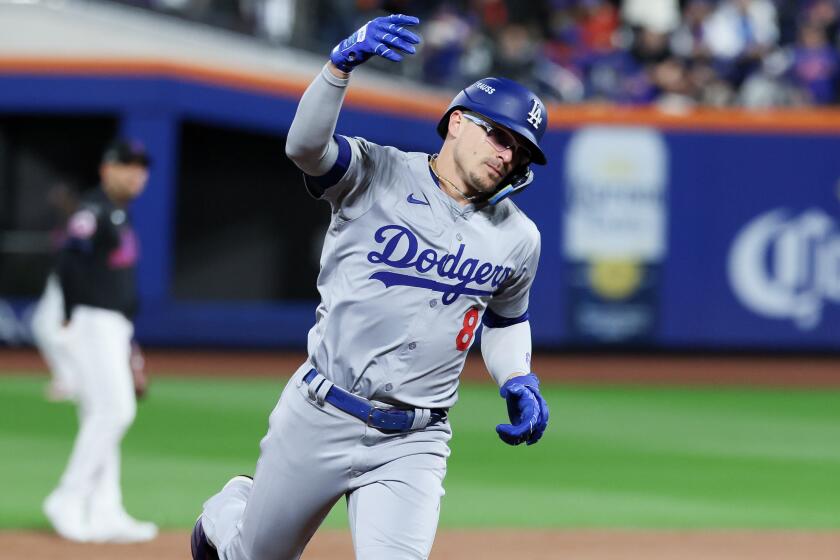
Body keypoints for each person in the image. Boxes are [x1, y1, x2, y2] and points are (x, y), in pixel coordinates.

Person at [191, 13, 550, 560]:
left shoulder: (518, 237)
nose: (506, 154)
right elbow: (305, 150)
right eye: (498, 135)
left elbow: (505, 319)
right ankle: (231, 512)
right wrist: (338, 67)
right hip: (320, 412)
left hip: (416, 438)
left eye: (518, 151)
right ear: (456, 122)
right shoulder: (377, 171)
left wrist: (519, 378)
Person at [42, 139, 157, 543]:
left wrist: (128, 340)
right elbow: (68, 259)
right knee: (115, 410)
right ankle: (68, 497)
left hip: (113, 325)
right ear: (107, 168)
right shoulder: (94, 210)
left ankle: (106, 509)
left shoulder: (118, 213)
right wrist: (72, 317)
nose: (135, 173)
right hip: (93, 320)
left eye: (141, 167)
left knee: (101, 414)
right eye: (127, 165)